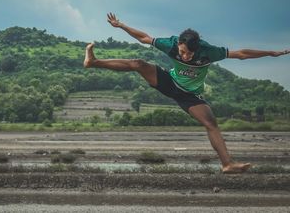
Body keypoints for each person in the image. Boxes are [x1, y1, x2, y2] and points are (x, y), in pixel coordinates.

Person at [84, 12, 290, 173]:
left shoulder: (210, 51)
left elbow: (242, 54)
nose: (184, 56)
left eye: (189, 53)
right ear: (179, 44)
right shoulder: (171, 44)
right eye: (182, 52)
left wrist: (271, 53)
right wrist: (121, 26)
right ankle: (93, 62)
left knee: (211, 123)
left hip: (190, 95)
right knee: (138, 63)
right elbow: (144, 38)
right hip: (169, 81)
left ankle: (228, 165)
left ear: (197, 48)